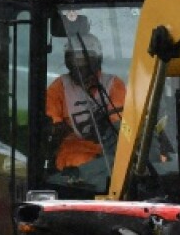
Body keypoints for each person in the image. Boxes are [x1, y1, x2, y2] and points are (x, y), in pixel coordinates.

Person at [46, 31, 126, 174]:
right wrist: (61, 129)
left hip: (111, 149)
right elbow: (53, 124)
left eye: (83, 59)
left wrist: (106, 126)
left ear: (96, 60)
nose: (78, 65)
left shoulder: (113, 84)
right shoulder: (58, 87)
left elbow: (119, 123)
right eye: (73, 59)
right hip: (74, 150)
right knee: (78, 161)